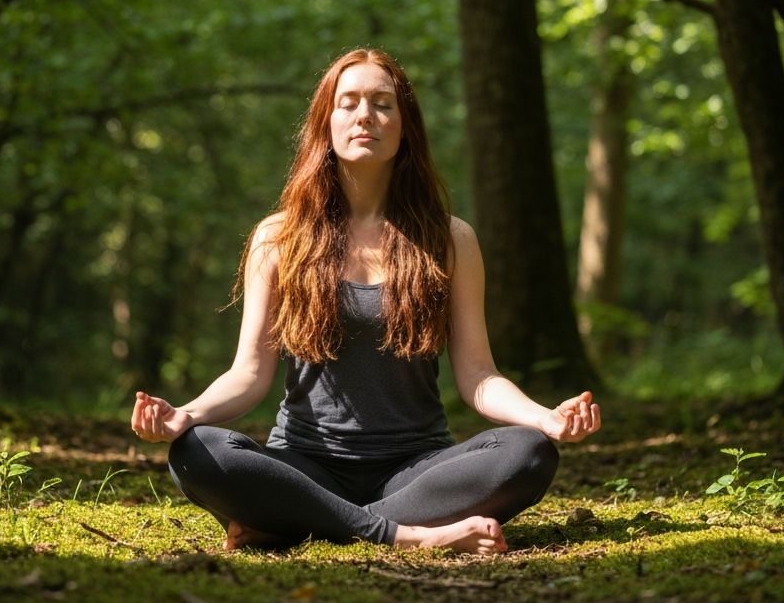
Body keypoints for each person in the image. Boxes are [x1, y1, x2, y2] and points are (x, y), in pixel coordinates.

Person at [131, 47, 600, 555]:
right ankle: (409, 536)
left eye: (382, 104)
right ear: (325, 123)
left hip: (416, 471)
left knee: (529, 451)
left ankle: (292, 523)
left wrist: (544, 417)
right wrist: (185, 413)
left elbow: (479, 377)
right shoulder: (278, 238)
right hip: (304, 464)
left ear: (405, 126)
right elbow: (248, 375)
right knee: (199, 450)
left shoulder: (449, 238)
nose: (365, 116)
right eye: (348, 102)